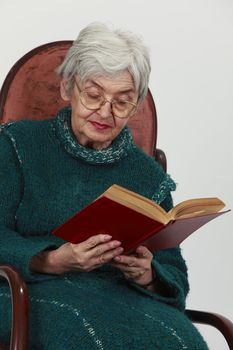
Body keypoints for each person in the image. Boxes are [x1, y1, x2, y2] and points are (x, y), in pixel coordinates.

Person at [0, 23, 208, 349]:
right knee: (92, 337)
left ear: (137, 104)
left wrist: (149, 275)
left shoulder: (148, 176)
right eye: (94, 95)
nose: (105, 112)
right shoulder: (17, 145)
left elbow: (173, 271)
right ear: (68, 88)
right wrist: (51, 260)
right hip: (25, 289)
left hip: (119, 295)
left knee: (185, 340)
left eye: (122, 102)